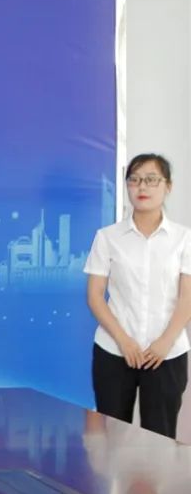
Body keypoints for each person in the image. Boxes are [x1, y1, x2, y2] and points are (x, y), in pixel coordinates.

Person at [85, 153, 191, 439]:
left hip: (166, 353)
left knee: (160, 439)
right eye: (134, 180)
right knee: (110, 437)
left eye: (151, 179)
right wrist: (124, 340)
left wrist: (164, 342)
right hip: (114, 349)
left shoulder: (184, 238)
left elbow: (187, 298)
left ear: (168, 186)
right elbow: (95, 295)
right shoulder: (107, 237)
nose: (142, 187)